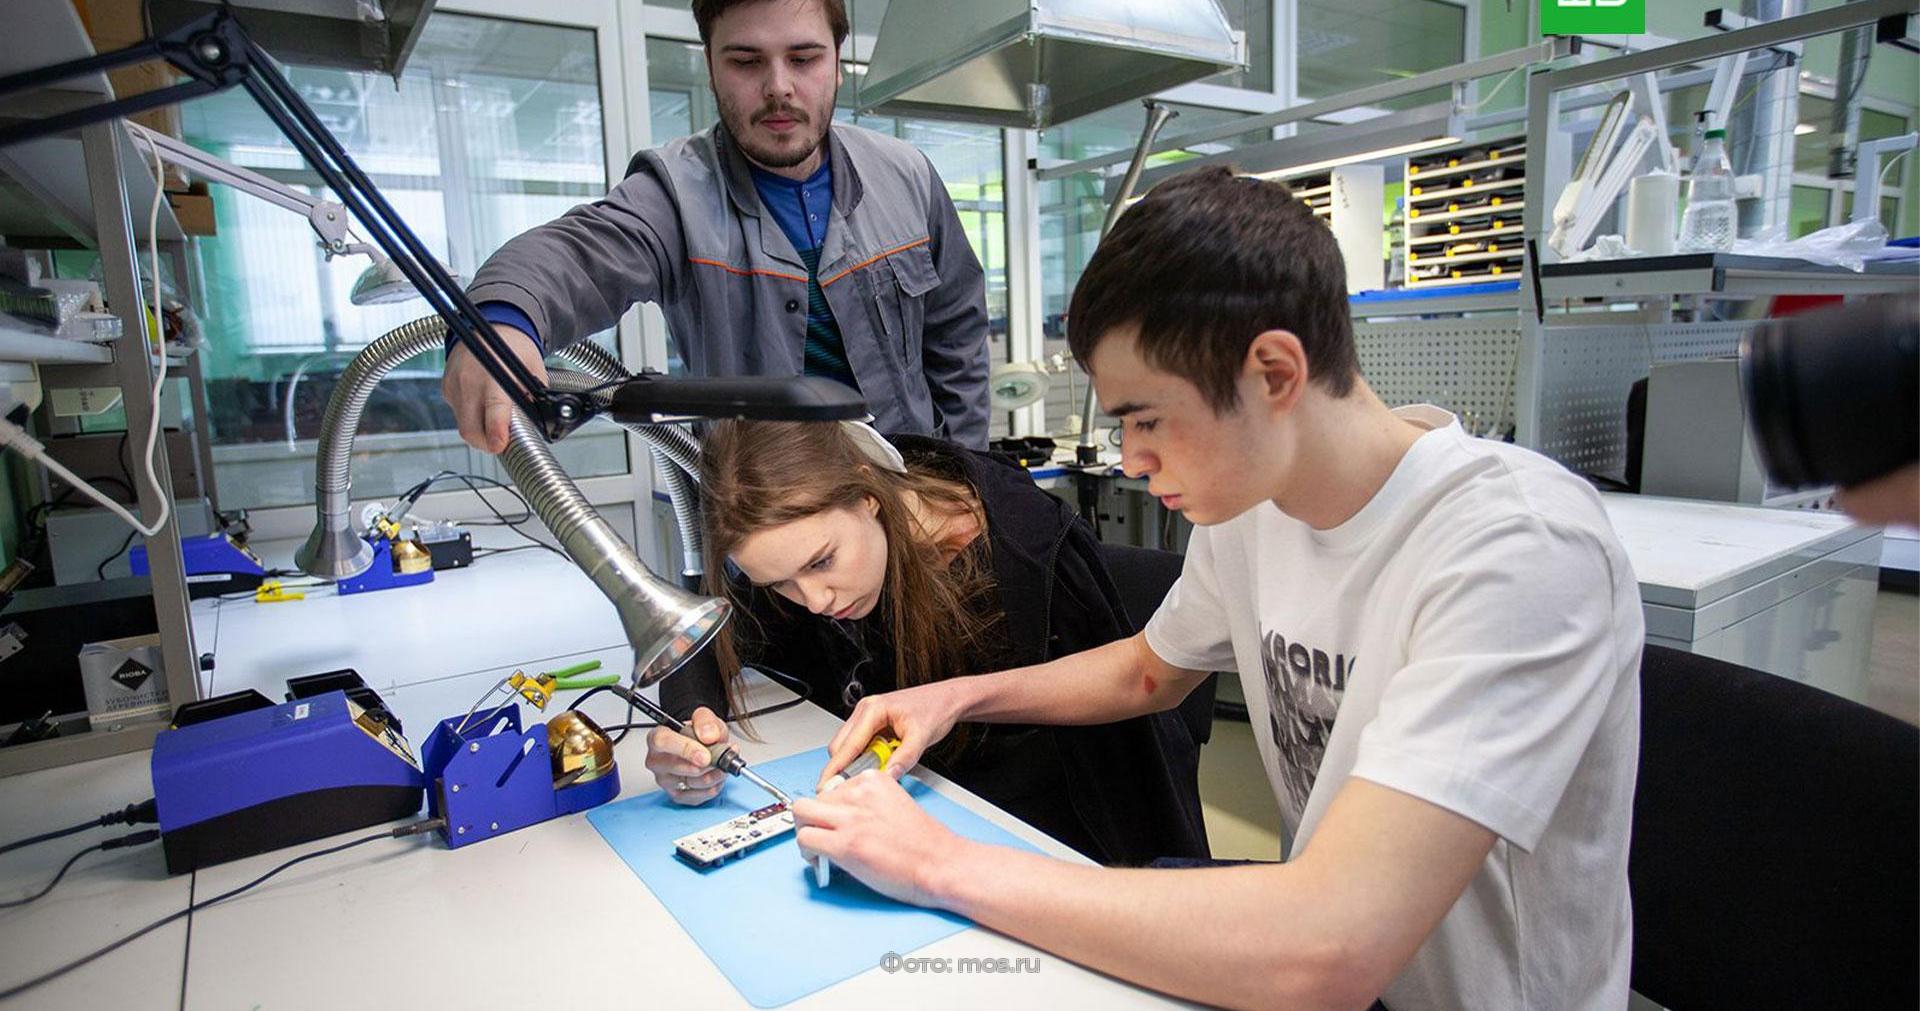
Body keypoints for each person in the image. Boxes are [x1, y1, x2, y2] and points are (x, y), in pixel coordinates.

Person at [789, 167, 1644, 1011]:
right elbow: (1146, 672)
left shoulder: (1518, 547)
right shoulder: (1255, 506)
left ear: (1273, 373)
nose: (1131, 460)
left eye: (1147, 419)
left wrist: (938, 863)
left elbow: (1331, 948)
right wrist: (955, 697)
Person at [642, 419, 1211, 867]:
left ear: (868, 494)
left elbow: (1063, 787)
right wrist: (694, 725)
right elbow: (709, 638)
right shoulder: (803, 547)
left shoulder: (1011, 565)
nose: (812, 600)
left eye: (821, 563)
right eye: (779, 584)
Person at [444, 0, 990, 453]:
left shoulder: (908, 176)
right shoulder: (675, 195)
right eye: (746, 62)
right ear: (710, 65)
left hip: (913, 506)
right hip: (765, 529)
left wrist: (967, 478)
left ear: (838, 61)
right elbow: (574, 255)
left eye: (803, 58)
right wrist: (500, 319)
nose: (779, 87)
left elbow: (958, 340)